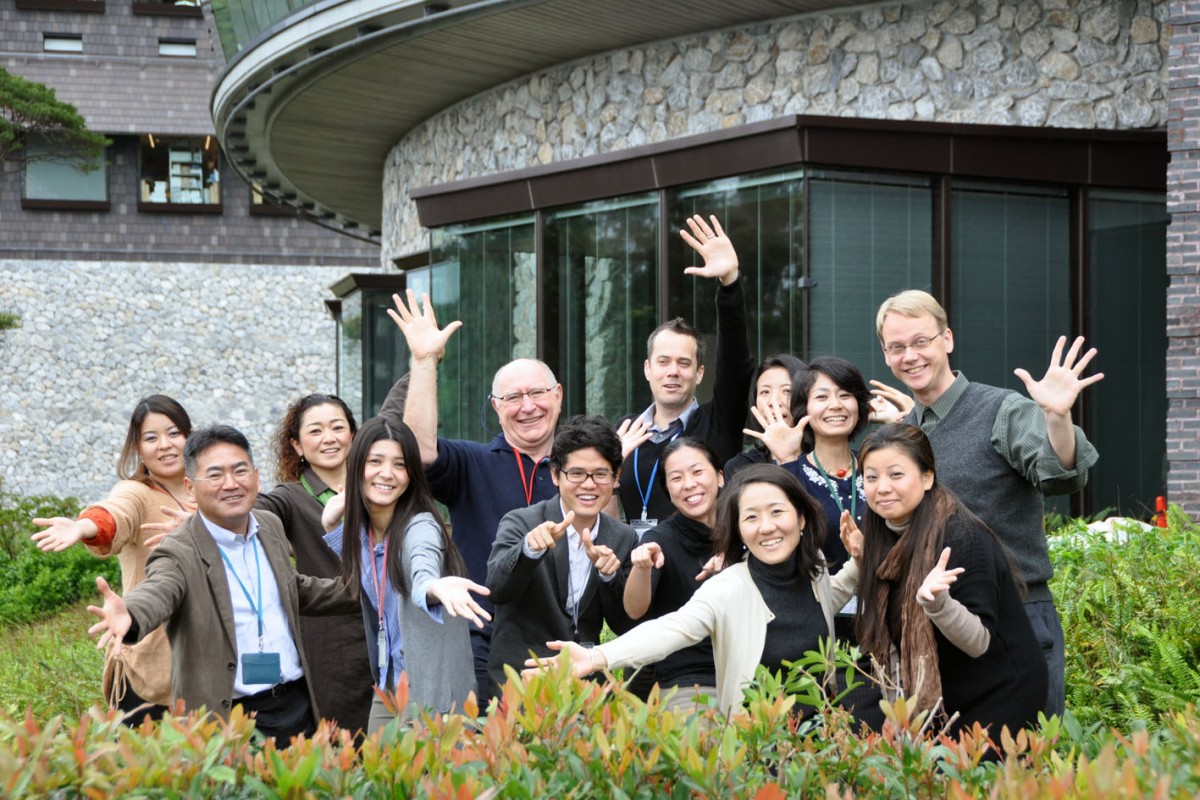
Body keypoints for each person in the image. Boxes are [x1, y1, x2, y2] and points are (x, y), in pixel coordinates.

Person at [875, 289, 1102, 718]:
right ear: (886, 355)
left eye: (921, 341)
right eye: (897, 347)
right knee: (948, 754)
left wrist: (1057, 417)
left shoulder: (1002, 410)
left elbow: (1060, 477)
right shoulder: (901, 435)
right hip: (933, 620)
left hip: (1016, 614)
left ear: (947, 339)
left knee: (1027, 753)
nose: (911, 356)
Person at [86, 425, 357, 741]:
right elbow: (159, 589)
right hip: (230, 717)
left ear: (256, 477)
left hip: (296, 704)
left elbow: (291, 588)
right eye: (215, 475)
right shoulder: (179, 549)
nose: (231, 484)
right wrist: (131, 614)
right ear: (190, 488)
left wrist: (360, 589)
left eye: (240, 471)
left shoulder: (269, 525)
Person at [526, 464, 861, 717]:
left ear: (801, 519)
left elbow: (823, 600)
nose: (767, 527)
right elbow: (671, 629)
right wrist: (597, 657)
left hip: (821, 738)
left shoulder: (814, 567)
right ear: (738, 530)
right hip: (758, 745)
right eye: (751, 518)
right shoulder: (729, 587)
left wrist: (859, 561)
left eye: (777, 512)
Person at [390, 290, 563, 700]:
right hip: (484, 642)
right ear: (496, 408)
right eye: (512, 398)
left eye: (537, 393)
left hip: (563, 642)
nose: (527, 406)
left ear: (557, 395)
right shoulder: (472, 463)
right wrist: (424, 362)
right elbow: (418, 450)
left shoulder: (578, 471)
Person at [850, 423, 1047, 737]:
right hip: (946, 695)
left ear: (927, 478)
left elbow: (978, 642)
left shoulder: (962, 538)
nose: (882, 488)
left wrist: (938, 604)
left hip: (998, 693)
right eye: (871, 477)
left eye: (896, 475)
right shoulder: (880, 532)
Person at [31, 394, 195, 723]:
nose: (164, 445)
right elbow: (114, 513)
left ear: (190, 437)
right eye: (151, 437)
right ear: (137, 448)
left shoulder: (210, 490)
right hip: (150, 663)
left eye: (174, 433)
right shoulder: (136, 491)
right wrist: (83, 526)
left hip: (211, 657)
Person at [321, 417, 487, 732]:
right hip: (388, 685)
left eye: (400, 464)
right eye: (376, 462)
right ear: (356, 468)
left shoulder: (420, 526)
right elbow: (364, 566)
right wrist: (330, 522)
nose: (387, 473)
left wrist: (434, 587)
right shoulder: (364, 532)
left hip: (432, 695)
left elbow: (422, 569)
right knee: (377, 763)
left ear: (411, 475)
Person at [616, 214, 755, 533]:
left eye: (684, 363)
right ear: (647, 369)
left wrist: (730, 285)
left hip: (703, 557)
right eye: (663, 362)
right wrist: (611, 463)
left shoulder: (717, 423)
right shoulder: (625, 431)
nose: (673, 372)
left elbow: (736, 364)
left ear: (699, 373)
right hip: (637, 560)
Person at [249, 393, 375, 733]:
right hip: (332, 648)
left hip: (391, 635)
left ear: (353, 434)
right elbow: (254, 512)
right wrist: (211, 517)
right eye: (315, 431)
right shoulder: (290, 498)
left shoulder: (379, 485)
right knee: (344, 744)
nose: (329, 438)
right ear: (297, 445)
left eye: (338, 427)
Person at [486, 415, 637, 699]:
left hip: (586, 688)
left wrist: (610, 577)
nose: (589, 485)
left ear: (616, 477)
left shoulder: (622, 537)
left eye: (601, 474)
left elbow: (623, 623)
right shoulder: (522, 522)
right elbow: (496, 588)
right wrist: (529, 549)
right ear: (556, 475)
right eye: (576, 473)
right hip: (523, 680)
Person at [621, 437, 725, 711]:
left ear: (720, 476)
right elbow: (634, 609)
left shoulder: (746, 528)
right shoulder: (659, 539)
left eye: (697, 471)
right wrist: (641, 568)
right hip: (690, 678)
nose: (689, 484)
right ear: (668, 490)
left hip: (753, 672)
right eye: (676, 478)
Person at [723, 354, 808, 480]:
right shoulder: (740, 467)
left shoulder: (825, 460)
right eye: (765, 392)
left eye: (787, 391)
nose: (774, 401)